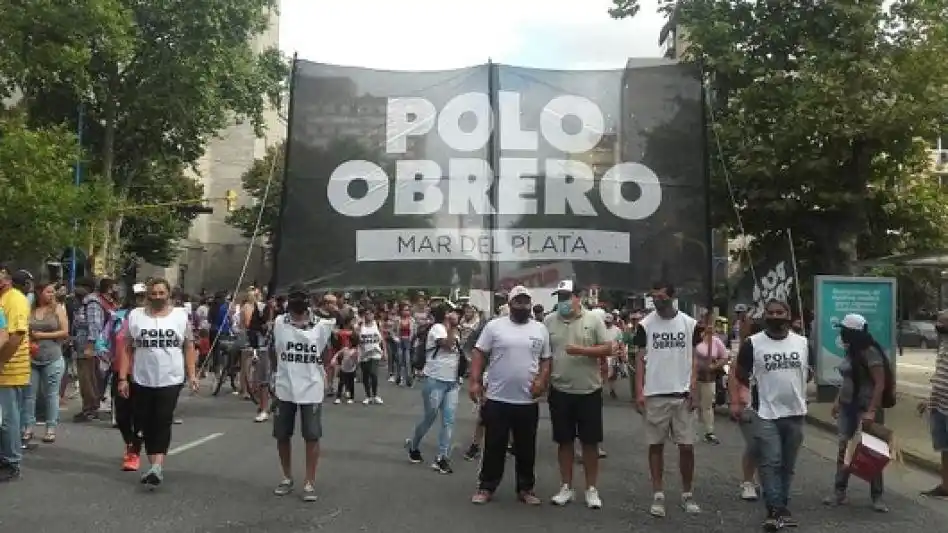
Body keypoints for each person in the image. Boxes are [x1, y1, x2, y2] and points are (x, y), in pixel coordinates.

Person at [731, 299, 811, 530]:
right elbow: (741, 374)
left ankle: (782, 507)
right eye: (771, 312)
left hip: (796, 412)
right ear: (765, 316)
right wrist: (755, 393)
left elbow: (808, 374)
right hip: (765, 413)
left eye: (780, 312)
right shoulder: (752, 344)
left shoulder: (803, 343)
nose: (776, 316)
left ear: (788, 315)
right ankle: (774, 509)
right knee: (770, 461)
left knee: (788, 464)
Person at [469, 286, 551, 505]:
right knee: (494, 445)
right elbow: (479, 353)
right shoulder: (495, 327)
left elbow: (546, 359)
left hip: (527, 399)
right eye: (518, 301)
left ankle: (526, 488)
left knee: (526, 447)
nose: (522, 306)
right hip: (497, 397)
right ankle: (486, 487)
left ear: (530, 304)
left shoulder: (540, 329)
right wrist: (475, 381)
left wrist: (542, 380)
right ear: (510, 303)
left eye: (526, 302)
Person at [115, 278, 199, 488]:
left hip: (171, 378)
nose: (158, 297)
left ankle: (156, 466)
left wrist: (193, 375)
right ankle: (150, 461)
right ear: (148, 295)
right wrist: (123, 378)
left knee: (162, 420)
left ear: (168, 294)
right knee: (143, 421)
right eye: (154, 293)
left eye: (162, 293)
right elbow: (126, 347)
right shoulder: (136, 316)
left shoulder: (180, 316)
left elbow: (188, 346)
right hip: (143, 378)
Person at [633, 281, 702, 517]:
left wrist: (694, 385)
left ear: (673, 297)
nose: (657, 300)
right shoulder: (645, 325)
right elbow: (640, 358)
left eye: (662, 296)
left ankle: (687, 493)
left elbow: (694, 357)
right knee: (655, 446)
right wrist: (639, 390)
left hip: (681, 394)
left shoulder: (689, 324)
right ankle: (658, 493)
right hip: (655, 392)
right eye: (654, 296)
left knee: (686, 446)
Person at [545, 280, 614, 509]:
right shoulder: (549, 321)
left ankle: (591, 489)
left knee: (590, 443)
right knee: (564, 441)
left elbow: (608, 348)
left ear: (578, 297)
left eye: (567, 296)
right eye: (560, 297)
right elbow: (544, 355)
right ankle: (566, 487)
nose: (563, 302)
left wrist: (582, 350)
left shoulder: (593, 319)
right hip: (560, 390)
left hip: (588, 391)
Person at [271, 285, 337, 502]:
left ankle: (309, 481)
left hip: (311, 387)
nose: (297, 302)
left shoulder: (323, 325)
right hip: (285, 387)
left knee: (311, 436)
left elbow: (329, 350)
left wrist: (331, 307)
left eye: (302, 298)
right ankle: (286, 477)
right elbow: (274, 350)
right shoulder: (280, 322)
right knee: (282, 435)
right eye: (293, 298)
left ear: (309, 301)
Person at [823, 313, 890, 512]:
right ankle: (839, 491)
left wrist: (871, 411)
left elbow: (880, 383)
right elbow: (848, 380)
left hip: (865, 408)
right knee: (844, 449)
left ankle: (877, 496)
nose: (842, 334)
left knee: (872, 452)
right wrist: (837, 401)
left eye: (844, 330)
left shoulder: (870, 352)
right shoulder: (851, 351)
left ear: (852, 332)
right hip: (847, 407)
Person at [405, 302, 462, 475]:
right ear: (445, 314)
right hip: (435, 380)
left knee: (448, 420)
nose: (455, 314)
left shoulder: (453, 330)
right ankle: (413, 445)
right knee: (429, 417)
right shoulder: (437, 328)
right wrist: (453, 327)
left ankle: (442, 457)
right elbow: (447, 345)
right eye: (452, 312)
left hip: (452, 382)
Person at [22, 283, 70, 445]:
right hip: (31, 357)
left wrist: (41, 335)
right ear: (39, 292)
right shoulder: (30, 309)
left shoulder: (58, 309)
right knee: (29, 395)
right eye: (48, 291)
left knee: (51, 394)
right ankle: (28, 426)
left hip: (53, 356)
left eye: (53, 292)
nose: (51, 294)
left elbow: (65, 332)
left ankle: (51, 427)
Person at [0, 265, 30, 482]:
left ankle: (11, 462)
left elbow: (16, 336)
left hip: (9, 369)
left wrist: (0, 362)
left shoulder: (15, 300)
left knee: (7, 418)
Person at [919, 309, 948, 497]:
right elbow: (939, 376)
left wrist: (931, 402)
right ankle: (946, 485)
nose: (938, 326)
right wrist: (930, 401)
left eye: (942, 323)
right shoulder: (944, 344)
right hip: (940, 406)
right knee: (944, 448)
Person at [357, 309, 385, 405]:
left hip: (375, 352)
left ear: (373, 315)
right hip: (364, 353)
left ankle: (375, 395)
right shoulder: (361, 325)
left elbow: (382, 338)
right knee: (366, 375)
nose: (368, 316)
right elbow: (357, 339)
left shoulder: (377, 324)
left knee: (373, 373)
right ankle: (368, 396)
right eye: (367, 314)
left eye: (370, 314)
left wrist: (384, 351)